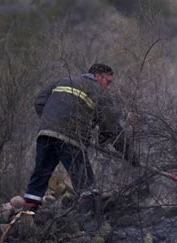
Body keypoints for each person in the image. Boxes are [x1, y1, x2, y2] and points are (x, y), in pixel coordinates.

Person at [22, 63, 134, 212]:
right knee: (86, 183)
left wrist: (51, 121)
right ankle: (87, 223)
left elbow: (39, 101)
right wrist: (130, 154)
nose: (108, 86)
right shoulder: (99, 92)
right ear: (98, 76)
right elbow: (112, 127)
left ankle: (27, 215)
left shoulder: (62, 81)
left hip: (45, 133)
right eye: (108, 81)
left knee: (40, 175)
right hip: (71, 136)